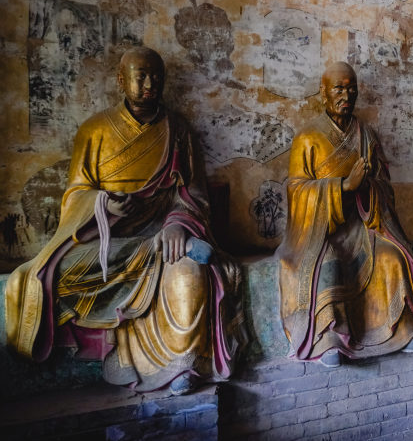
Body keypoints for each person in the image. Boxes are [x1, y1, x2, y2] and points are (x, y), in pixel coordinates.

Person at [5, 46, 245, 394]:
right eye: (141, 76)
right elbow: (75, 194)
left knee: (190, 275)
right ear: (121, 80)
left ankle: (181, 367)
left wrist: (177, 223)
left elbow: (194, 193)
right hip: (107, 240)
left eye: (157, 77)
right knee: (43, 277)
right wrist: (103, 205)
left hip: (165, 233)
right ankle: (156, 253)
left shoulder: (178, 130)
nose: (150, 84)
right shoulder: (95, 130)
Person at [278, 62, 413, 367]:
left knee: (394, 256)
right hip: (322, 231)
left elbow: (384, 186)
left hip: (363, 223)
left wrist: (367, 188)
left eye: (352, 88)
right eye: (339, 88)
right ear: (323, 93)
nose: (346, 95)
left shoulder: (366, 135)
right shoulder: (308, 138)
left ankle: (400, 330)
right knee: (329, 262)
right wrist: (342, 187)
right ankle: (330, 337)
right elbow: (296, 191)